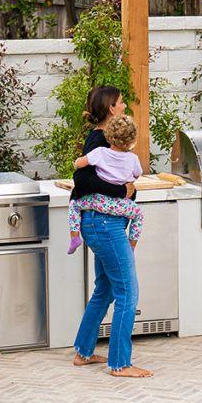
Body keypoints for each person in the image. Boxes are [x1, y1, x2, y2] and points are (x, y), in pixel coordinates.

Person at [70, 86, 153, 378]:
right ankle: (120, 363)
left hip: (103, 223)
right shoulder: (100, 139)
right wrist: (123, 190)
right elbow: (82, 180)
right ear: (111, 108)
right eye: (121, 102)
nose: (125, 104)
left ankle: (83, 351)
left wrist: (127, 191)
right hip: (105, 224)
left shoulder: (110, 141)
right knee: (128, 292)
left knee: (105, 289)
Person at [68, 115, 144, 255]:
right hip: (121, 205)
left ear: (108, 135)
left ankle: (74, 237)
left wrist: (76, 161)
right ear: (132, 140)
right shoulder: (133, 159)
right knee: (138, 214)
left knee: (75, 204)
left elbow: (80, 164)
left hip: (98, 201)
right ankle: (131, 246)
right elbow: (137, 174)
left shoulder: (100, 153)